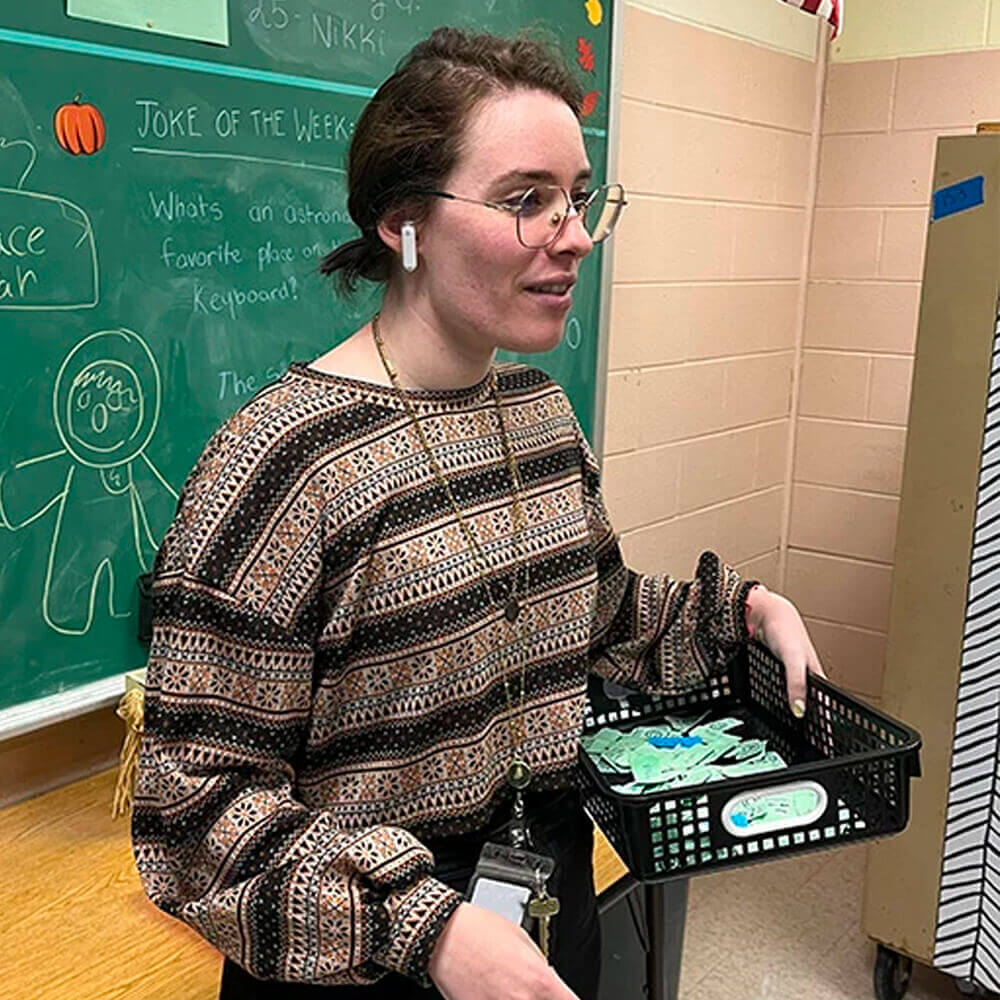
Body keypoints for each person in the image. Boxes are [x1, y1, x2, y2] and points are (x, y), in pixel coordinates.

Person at [131, 26, 825, 1000]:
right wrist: (429, 931)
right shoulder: (281, 462)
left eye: (577, 198)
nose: (573, 236)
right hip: (363, 953)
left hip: (542, 889)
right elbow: (196, 812)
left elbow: (597, 616)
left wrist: (743, 613)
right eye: (525, 200)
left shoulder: (540, 413)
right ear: (404, 222)